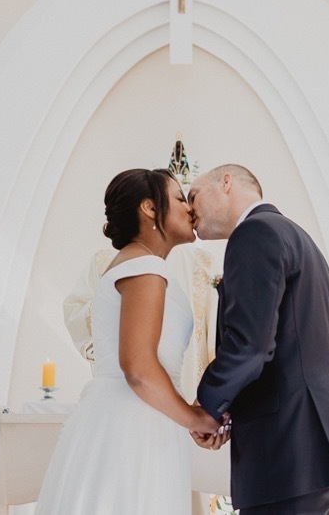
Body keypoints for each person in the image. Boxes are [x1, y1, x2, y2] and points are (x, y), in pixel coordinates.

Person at [34, 168, 226, 515]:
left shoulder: (139, 264)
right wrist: (195, 419)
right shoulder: (145, 268)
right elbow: (138, 367)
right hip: (132, 428)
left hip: (134, 419)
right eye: (180, 199)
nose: (189, 209)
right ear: (150, 208)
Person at [188, 164, 329, 515]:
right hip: (318, 448)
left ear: (226, 183)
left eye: (193, 196)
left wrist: (207, 404)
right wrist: (229, 411)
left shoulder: (254, 234)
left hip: (286, 451)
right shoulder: (298, 238)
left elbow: (251, 347)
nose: (189, 210)